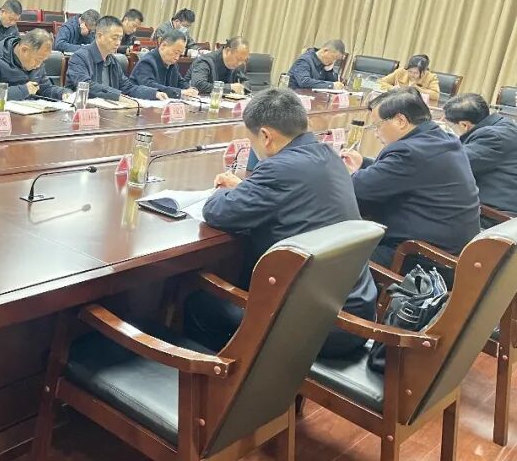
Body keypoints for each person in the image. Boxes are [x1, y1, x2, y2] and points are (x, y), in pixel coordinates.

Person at [187, 88, 378, 359]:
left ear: (266, 136)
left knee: (199, 303)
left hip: (316, 326)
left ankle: (226, 381)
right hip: (354, 314)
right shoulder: (328, 156)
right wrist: (246, 189)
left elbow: (218, 212)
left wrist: (222, 192)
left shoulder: (279, 169)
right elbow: (289, 196)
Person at [341, 87, 480, 269]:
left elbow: (356, 190)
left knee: (331, 257)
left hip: (421, 258)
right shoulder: (441, 139)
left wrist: (341, 173)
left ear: (400, 121)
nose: (375, 133)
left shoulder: (409, 152)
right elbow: (403, 175)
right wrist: (364, 164)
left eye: (377, 125)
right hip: (451, 253)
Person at [443, 93, 517, 217]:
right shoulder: (504, 125)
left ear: (464, 125)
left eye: (450, 126)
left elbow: (453, 164)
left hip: (494, 215)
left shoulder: (493, 137)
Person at [65, 16, 169, 102]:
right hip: (83, 113)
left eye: (120, 38)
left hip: (108, 113)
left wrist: (153, 93)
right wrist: (118, 96)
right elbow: (87, 86)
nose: (118, 43)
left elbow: (128, 87)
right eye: (114, 38)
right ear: (99, 36)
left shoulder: (113, 61)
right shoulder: (80, 57)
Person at [0, 29, 68, 103]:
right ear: (24, 50)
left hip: (28, 115)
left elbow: (45, 88)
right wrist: (24, 90)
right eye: (38, 60)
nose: (39, 65)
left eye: (43, 60)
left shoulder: (37, 63)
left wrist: (63, 94)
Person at [128, 30, 200, 99]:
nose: (177, 58)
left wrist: (190, 89)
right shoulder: (146, 62)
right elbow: (150, 86)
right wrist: (180, 92)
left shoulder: (172, 64)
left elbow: (180, 82)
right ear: (163, 45)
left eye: (180, 54)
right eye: (176, 52)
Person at [187, 37, 251, 95]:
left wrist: (241, 87)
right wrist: (230, 87)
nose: (239, 63)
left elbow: (246, 82)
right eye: (238, 59)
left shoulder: (236, 64)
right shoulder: (205, 61)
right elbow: (198, 85)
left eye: (243, 60)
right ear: (228, 51)